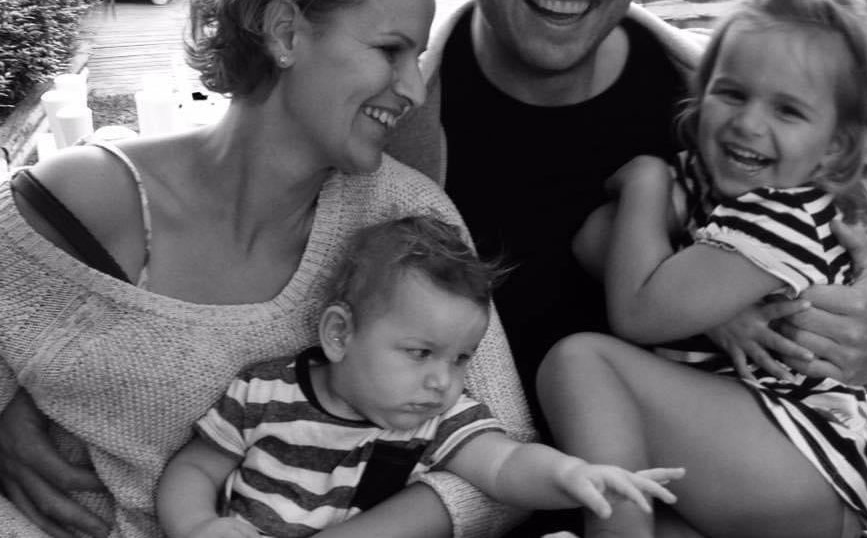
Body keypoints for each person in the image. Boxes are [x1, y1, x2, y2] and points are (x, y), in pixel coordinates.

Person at [0, 0, 534, 538]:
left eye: (417, 57)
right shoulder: (84, 201)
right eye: (391, 50)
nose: (415, 89)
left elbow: (505, 455)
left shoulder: (409, 219)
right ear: (285, 31)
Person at [387, 0, 867, 424]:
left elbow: (847, 261)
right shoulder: (392, 127)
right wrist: (706, 312)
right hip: (480, 488)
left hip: (705, 493)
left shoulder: (721, 100)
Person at [540, 0, 867, 538]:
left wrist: (648, 185)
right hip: (753, 465)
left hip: (802, 460)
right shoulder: (717, 182)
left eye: (788, 111)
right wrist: (711, 306)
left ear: (836, 145)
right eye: (732, 93)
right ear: (702, 94)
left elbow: (635, 312)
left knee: (580, 362)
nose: (749, 123)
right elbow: (594, 241)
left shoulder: (783, 214)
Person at [157, 215, 684, 538]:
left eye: (460, 359)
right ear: (340, 335)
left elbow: (505, 464)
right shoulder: (264, 392)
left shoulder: (436, 420)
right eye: (420, 352)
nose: (442, 382)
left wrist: (573, 477)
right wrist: (200, 526)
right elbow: (195, 470)